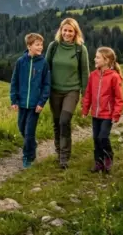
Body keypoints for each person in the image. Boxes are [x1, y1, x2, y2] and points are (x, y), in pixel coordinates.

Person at [45, 18, 90, 169]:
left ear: (75, 32)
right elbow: (46, 69)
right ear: (60, 30)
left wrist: (85, 95)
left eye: (70, 31)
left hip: (72, 90)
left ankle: (64, 156)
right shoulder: (54, 46)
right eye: (64, 30)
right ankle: (59, 151)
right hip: (54, 91)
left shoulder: (80, 49)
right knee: (57, 122)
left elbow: (85, 73)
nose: (67, 33)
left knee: (64, 120)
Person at [10, 33, 52, 169]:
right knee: (21, 127)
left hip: (35, 105)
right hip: (22, 103)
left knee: (29, 132)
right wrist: (14, 100)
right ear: (29, 46)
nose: (40, 47)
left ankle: (28, 156)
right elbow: (14, 82)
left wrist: (41, 102)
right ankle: (32, 144)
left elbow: (46, 84)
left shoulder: (43, 63)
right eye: (37, 45)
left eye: (41, 45)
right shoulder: (20, 62)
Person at [81, 46, 123, 174]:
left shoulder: (114, 77)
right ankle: (98, 162)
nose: (95, 59)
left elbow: (119, 97)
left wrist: (116, 114)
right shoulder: (93, 75)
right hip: (95, 114)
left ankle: (108, 157)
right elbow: (88, 94)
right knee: (96, 138)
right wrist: (85, 110)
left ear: (106, 60)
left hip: (107, 115)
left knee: (103, 138)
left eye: (98, 57)